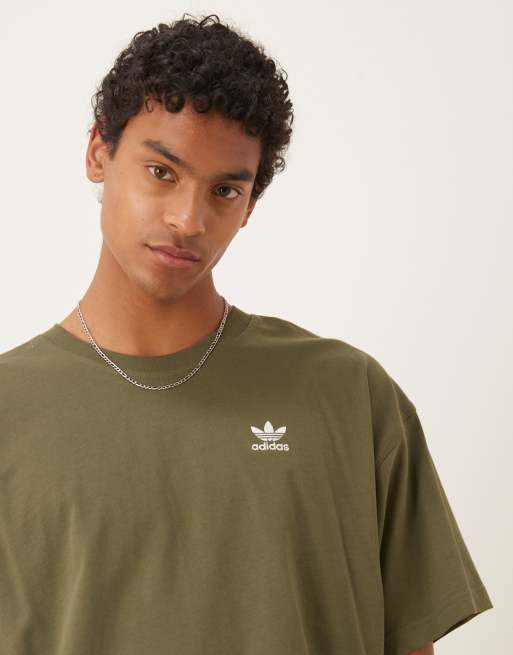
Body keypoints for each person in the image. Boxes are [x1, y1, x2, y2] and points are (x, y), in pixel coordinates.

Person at [0, 13, 492, 655]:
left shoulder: (350, 395)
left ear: (250, 205)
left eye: (225, 191)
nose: (188, 220)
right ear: (99, 152)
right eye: (162, 172)